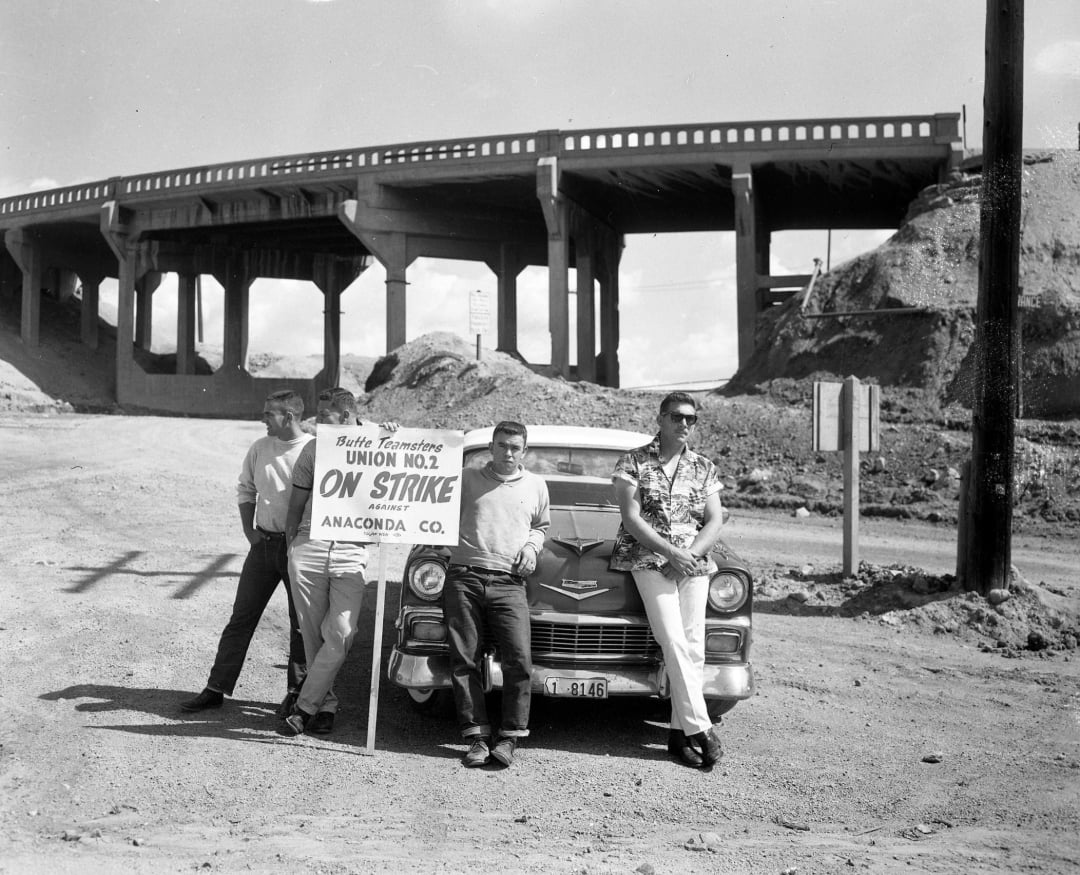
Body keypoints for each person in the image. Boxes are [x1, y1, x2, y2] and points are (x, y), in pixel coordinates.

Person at [611, 392, 725, 768]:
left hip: (692, 563)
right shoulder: (633, 462)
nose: (685, 424)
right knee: (672, 640)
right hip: (648, 560)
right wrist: (670, 553)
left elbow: (714, 520)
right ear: (660, 418)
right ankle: (701, 728)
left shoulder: (704, 467)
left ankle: (680, 735)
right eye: (677, 417)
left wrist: (686, 556)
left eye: (692, 419)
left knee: (694, 647)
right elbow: (631, 518)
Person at [180, 390, 310, 715]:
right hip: (263, 547)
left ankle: (296, 695)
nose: (262, 419)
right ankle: (215, 689)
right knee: (241, 618)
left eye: (269, 413)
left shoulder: (313, 449)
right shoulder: (260, 448)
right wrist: (249, 531)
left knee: (301, 625)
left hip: (300, 551)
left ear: (289, 417)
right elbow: (246, 488)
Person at [281, 388, 395, 736]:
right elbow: (295, 506)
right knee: (313, 634)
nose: (317, 420)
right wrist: (293, 548)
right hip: (310, 545)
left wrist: (396, 439)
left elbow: (409, 469)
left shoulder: (380, 440)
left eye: (324, 414)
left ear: (346, 416)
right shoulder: (314, 449)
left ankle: (304, 706)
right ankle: (325, 706)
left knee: (342, 633)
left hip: (350, 550)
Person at [443, 421, 550, 768]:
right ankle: (476, 737)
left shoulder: (536, 485)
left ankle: (509, 737)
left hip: (509, 582)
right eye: (502, 445)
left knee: (519, 659)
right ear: (491, 446)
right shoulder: (465, 478)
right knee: (465, 658)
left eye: (514, 447)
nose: (507, 453)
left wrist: (532, 548)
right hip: (464, 577)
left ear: (524, 451)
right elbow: (430, 500)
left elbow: (541, 525)